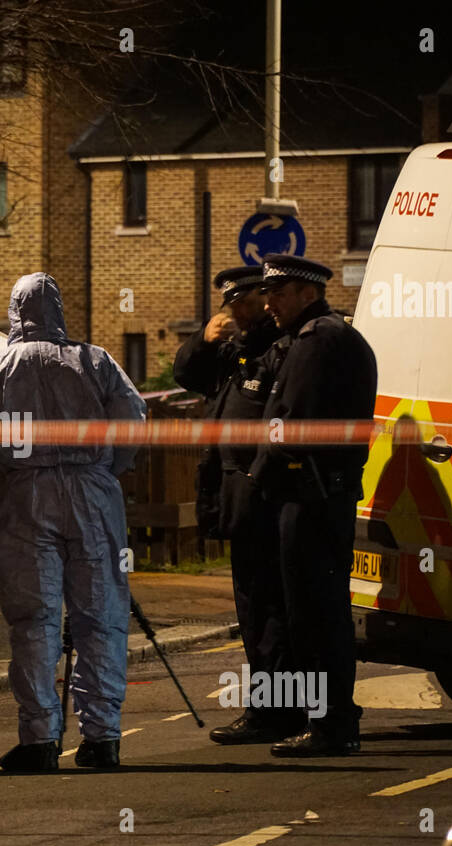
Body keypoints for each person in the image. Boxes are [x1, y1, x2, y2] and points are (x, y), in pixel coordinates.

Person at [0, 273, 147, 772]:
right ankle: (102, 736)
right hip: (91, 492)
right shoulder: (95, 361)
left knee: (34, 621)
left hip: (24, 495)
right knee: (101, 617)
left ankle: (40, 738)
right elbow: (135, 416)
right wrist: (110, 467)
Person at [247, 254, 377, 757]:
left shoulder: (318, 340)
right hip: (320, 493)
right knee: (317, 613)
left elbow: (289, 424)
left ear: (307, 292)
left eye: (278, 293)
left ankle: (332, 727)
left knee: (314, 615)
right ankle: (330, 722)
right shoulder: (321, 336)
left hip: (312, 495)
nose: (269, 303)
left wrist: (259, 477)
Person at [173, 265, 304, 743]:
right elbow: (186, 373)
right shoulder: (235, 351)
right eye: (230, 305)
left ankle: (279, 712)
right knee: (255, 610)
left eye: (244, 303)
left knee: (272, 610)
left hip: (264, 497)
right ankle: (271, 709)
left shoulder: (278, 348)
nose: (237, 313)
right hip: (237, 497)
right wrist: (204, 340)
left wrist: (254, 478)